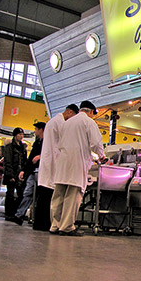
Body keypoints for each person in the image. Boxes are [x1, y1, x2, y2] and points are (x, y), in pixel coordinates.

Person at [50, 101, 106, 236]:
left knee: (58, 194)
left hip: (63, 161)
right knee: (73, 194)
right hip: (77, 162)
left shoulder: (67, 122)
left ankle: (55, 225)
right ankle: (67, 226)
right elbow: (96, 143)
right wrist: (101, 155)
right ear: (91, 112)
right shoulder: (89, 122)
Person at [36, 104, 78, 231]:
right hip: (53, 162)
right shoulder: (60, 123)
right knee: (50, 197)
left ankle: (40, 224)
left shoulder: (52, 121)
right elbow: (64, 143)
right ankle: (45, 224)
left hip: (48, 161)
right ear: (69, 112)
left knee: (44, 195)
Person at [12, 122, 45, 225]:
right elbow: (30, 159)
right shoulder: (37, 143)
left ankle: (28, 216)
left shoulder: (47, 142)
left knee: (35, 194)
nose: (34, 131)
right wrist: (24, 171)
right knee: (28, 193)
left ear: (41, 130)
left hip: (42, 172)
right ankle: (20, 215)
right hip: (33, 172)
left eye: (36, 129)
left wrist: (41, 156)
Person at [3, 127, 27, 222]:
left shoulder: (23, 148)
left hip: (20, 175)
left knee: (22, 195)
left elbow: (24, 161)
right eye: (19, 134)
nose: (21, 136)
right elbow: (8, 162)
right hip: (12, 174)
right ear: (15, 135)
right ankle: (9, 214)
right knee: (10, 194)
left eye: (22, 135)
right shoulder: (9, 147)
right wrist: (10, 175)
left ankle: (15, 212)